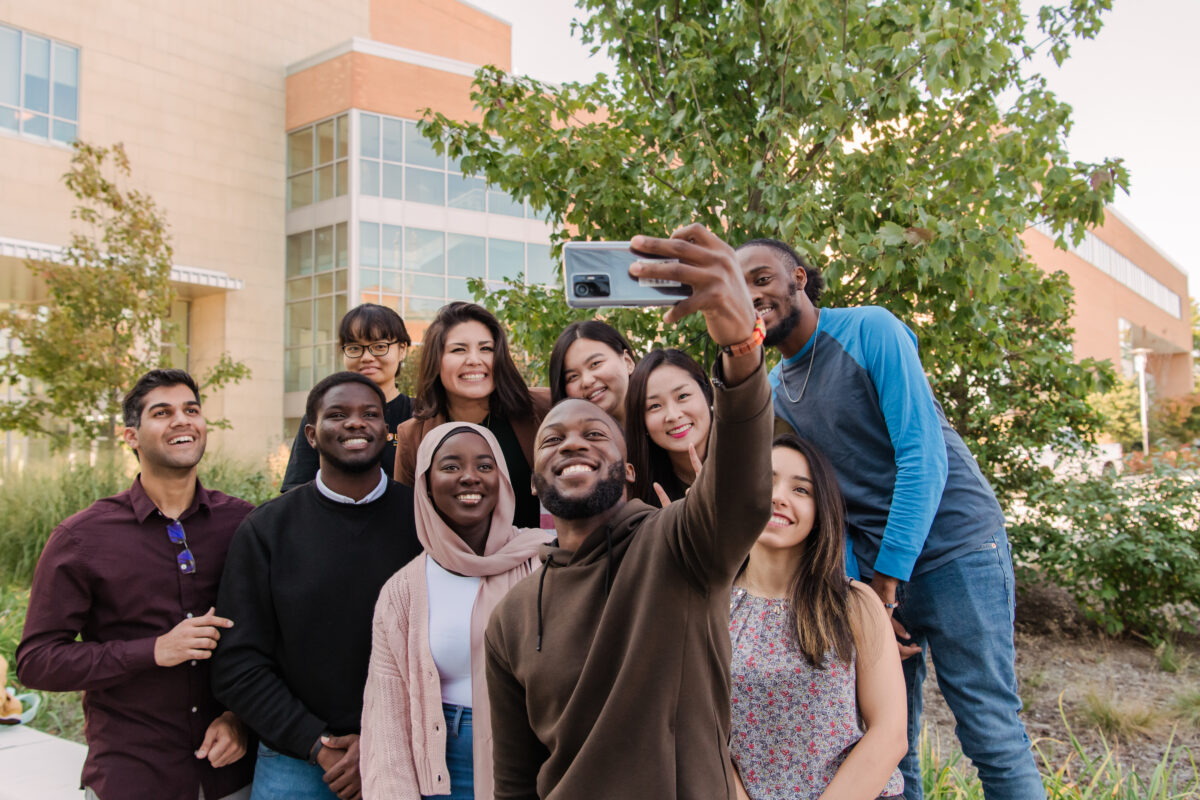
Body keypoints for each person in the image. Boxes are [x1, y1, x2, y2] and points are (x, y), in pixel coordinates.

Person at [736, 237, 1044, 800]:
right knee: (886, 742)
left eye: (762, 278)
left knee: (990, 734)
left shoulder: (869, 330)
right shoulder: (776, 389)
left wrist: (883, 586)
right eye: (740, 288)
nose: (753, 295)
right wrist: (863, 596)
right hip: (878, 580)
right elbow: (830, 506)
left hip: (955, 552)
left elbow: (921, 456)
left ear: (798, 278)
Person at [485, 223, 772, 800]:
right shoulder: (511, 618)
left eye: (595, 432)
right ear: (536, 486)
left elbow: (743, 495)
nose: (571, 442)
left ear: (631, 470)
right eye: (551, 439)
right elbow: (515, 781)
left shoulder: (680, 548)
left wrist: (742, 348)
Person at [17, 369, 253, 800]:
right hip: (133, 778)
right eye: (162, 413)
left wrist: (241, 717)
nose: (182, 420)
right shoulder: (82, 538)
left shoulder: (245, 523)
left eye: (191, 410)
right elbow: (37, 660)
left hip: (232, 778)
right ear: (131, 436)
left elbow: (273, 638)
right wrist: (154, 651)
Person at [212, 371, 423, 800]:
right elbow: (238, 663)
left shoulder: (424, 522)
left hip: (406, 753)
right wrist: (318, 747)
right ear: (311, 434)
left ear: (386, 431)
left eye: (370, 414)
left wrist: (380, 742)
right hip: (294, 760)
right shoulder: (266, 529)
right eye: (337, 414)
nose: (355, 423)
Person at [360, 423, 551, 799]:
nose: (469, 477)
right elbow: (389, 721)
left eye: (484, 466)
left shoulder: (545, 561)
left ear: (503, 480)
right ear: (425, 483)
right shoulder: (401, 593)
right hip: (444, 765)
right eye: (450, 466)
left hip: (537, 759)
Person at [729, 434, 907, 800]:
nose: (778, 496)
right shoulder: (710, 604)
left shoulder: (854, 603)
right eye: (768, 480)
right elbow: (698, 733)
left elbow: (889, 734)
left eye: (801, 490)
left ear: (820, 510)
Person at [393, 301, 550, 528]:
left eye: (486, 349)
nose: (475, 360)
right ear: (436, 361)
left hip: (539, 558)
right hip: (455, 562)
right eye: (459, 350)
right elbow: (408, 522)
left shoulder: (544, 409)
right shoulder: (413, 436)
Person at [281, 303, 414, 492]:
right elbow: (296, 491)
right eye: (354, 348)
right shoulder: (322, 417)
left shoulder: (421, 415)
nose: (366, 357)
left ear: (402, 350)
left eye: (379, 346)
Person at [624, 348, 713, 506]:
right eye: (655, 406)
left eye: (683, 396)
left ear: (706, 394)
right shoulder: (638, 493)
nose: (673, 415)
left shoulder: (749, 455)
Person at [547, 320, 638, 427]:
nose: (587, 381)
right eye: (573, 376)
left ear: (628, 362)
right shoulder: (570, 442)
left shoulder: (660, 423)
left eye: (595, 364)